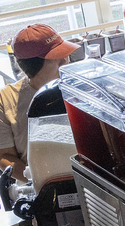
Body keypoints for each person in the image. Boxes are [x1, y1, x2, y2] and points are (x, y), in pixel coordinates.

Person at [0, 24, 79, 182]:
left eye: (65, 54)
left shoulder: (78, 87)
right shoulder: (6, 100)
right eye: (57, 57)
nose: (65, 61)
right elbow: (4, 155)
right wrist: (38, 180)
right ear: (33, 65)